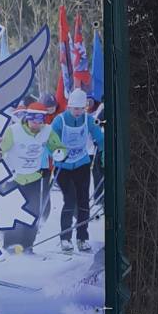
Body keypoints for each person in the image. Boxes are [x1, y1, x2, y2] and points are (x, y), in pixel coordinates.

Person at [0, 103, 63, 254]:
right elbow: (3, 149)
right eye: (34, 119)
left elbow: (57, 146)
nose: (37, 123)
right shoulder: (13, 131)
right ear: (28, 118)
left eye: (41, 119)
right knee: (13, 210)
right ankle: (10, 243)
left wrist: (60, 151)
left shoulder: (47, 131)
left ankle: (27, 244)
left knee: (33, 211)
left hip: (34, 177)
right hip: (15, 177)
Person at [50, 90, 104, 252]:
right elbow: (51, 141)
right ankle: (65, 238)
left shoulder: (89, 120)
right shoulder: (59, 121)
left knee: (83, 202)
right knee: (70, 199)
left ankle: (82, 237)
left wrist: (104, 152)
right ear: (69, 107)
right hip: (63, 167)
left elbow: (100, 138)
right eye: (75, 109)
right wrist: (56, 152)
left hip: (81, 164)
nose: (78, 112)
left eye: (81, 109)